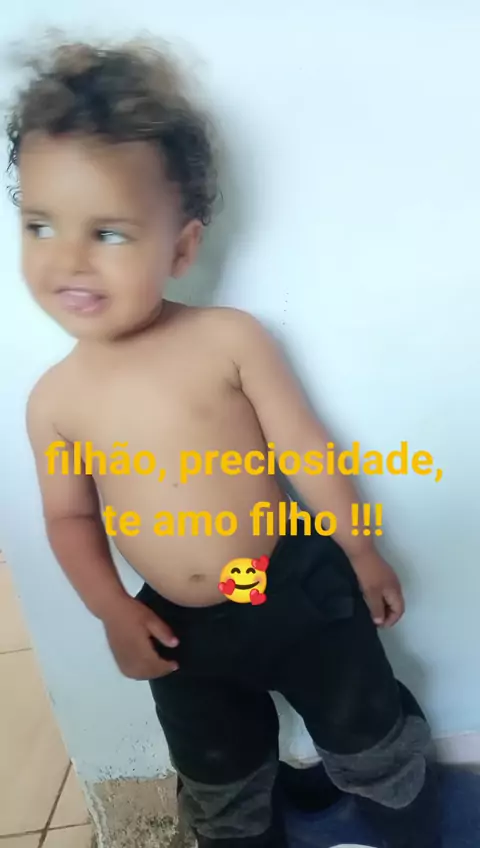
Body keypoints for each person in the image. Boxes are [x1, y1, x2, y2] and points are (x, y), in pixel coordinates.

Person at [7, 37, 439, 848]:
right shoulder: (54, 402)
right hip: (181, 629)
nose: (68, 258)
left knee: (366, 725)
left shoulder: (227, 340)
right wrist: (112, 612)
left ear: (181, 246)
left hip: (293, 584)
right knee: (218, 772)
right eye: (40, 224)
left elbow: (305, 449)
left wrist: (360, 549)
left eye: (108, 233)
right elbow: (71, 519)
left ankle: (404, 820)